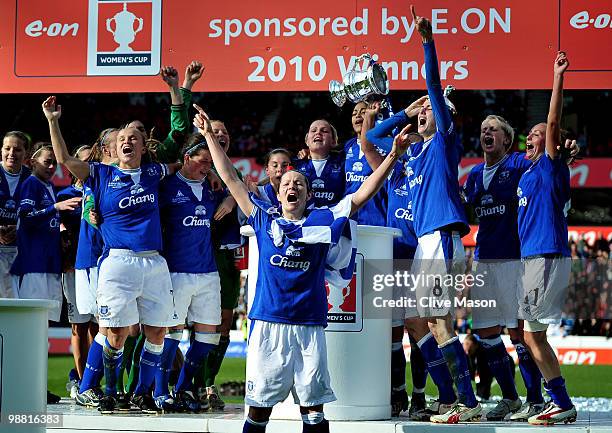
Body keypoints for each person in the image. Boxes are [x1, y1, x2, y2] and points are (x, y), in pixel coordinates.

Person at [193, 103, 413, 433]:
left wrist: (393, 154)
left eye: (298, 183)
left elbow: (363, 194)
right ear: (278, 194)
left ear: (308, 194)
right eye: (286, 185)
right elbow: (229, 177)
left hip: (310, 327)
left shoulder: (323, 222)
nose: (292, 187)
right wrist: (209, 135)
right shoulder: (264, 220)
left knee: (313, 410)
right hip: (269, 325)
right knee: (259, 412)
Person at [43, 95, 180, 414]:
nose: (128, 142)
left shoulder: (153, 173)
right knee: (114, 334)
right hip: (118, 262)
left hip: (155, 261)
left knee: (157, 332)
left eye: (134, 138)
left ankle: (141, 394)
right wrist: (52, 120)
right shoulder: (100, 175)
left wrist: (211, 173)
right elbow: (63, 156)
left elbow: (184, 162)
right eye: (122, 139)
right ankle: (91, 387)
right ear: (113, 149)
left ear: (143, 147)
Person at [362, 104, 458, 421]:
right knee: (407, 328)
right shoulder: (397, 173)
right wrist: (406, 113)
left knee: (431, 325)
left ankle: (425, 395)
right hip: (397, 260)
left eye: (419, 140)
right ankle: (399, 392)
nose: (413, 144)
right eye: (409, 141)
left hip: (426, 252)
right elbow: (371, 138)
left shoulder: (433, 167)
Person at [516, 52, 577, 425]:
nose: (532, 137)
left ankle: (561, 402)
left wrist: (556, 78)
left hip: (545, 256)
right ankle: (558, 400)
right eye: (531, 134)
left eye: (538, 134)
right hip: (532, 259)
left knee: (533, 336)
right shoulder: (529, 174)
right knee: (531, 337)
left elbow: (553, 121)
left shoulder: (550, 168)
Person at [154, 136, 225, 412]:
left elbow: (241, 188)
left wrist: (229, 200)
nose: (207, 167)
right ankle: (160, 391)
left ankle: (183, 387)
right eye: (203, 161)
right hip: (175, 271)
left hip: (208, 271)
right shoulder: (168, 187)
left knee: (208, 337)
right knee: (170, 335)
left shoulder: (212, 186)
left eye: (211, 162)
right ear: (187, 158)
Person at [10, 141, 82, 403]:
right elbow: (25, 217)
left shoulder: (49, 186)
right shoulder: (30, 184)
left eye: (54, 162)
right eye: (46, 161)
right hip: (33, 267)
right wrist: (55, 208)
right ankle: (24, 386)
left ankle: (35, 386)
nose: (52, 166)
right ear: (32, 162)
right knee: (32, 330)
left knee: (42, 331)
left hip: (50, 267)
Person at [57, 144, 99, 400]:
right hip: (74, 269)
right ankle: (81, 380)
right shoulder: (64, 194)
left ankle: (93, 380)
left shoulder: (100, 189)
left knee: (98, 327)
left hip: (100, 265)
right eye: (81, 161)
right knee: (79, 326)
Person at [0, 131, 31, 299]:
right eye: (7, 148)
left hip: (20, 251)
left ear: (26, 153)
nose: (11, 153)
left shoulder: (32, 179)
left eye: (17, 149)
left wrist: (19, 228)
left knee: (16, 302)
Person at [293, 120, 345, 208]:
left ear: (333, 141)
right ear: (307, 141)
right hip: (304, 219)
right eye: (313, 130)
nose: (318, 133)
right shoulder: (296, 164)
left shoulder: (344, 161)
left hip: (334, 219)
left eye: (324, 131)